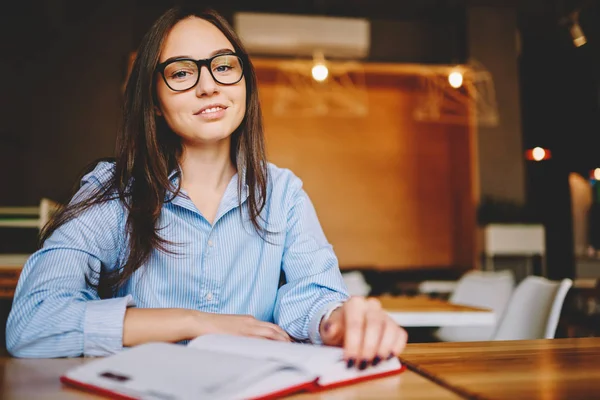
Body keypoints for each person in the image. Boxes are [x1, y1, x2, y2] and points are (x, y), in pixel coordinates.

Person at [6, 6, 407, 368]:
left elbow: (313, 296)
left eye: (224, 66)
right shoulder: (112, 193)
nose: (209, 86)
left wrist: (338, 322)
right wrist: (195, 323)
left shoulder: (283, 194)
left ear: (244, 83)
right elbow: (33, 323)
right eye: (181, 72)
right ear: (154, 102)